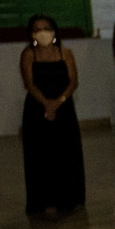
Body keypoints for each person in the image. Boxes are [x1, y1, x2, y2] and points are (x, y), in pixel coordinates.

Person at [20, 14, 84, 216]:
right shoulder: (29, 54)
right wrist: (46, 104)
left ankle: (70, 199)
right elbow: (29, 83)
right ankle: (45, 201)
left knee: (66, 153)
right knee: (41, 156)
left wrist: (57, 102)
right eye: (38, 29)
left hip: (63, 108)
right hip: (37, 110)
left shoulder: (66, 53)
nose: (43, 32)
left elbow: (73, 82)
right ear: (32, 34)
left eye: (46, 27)